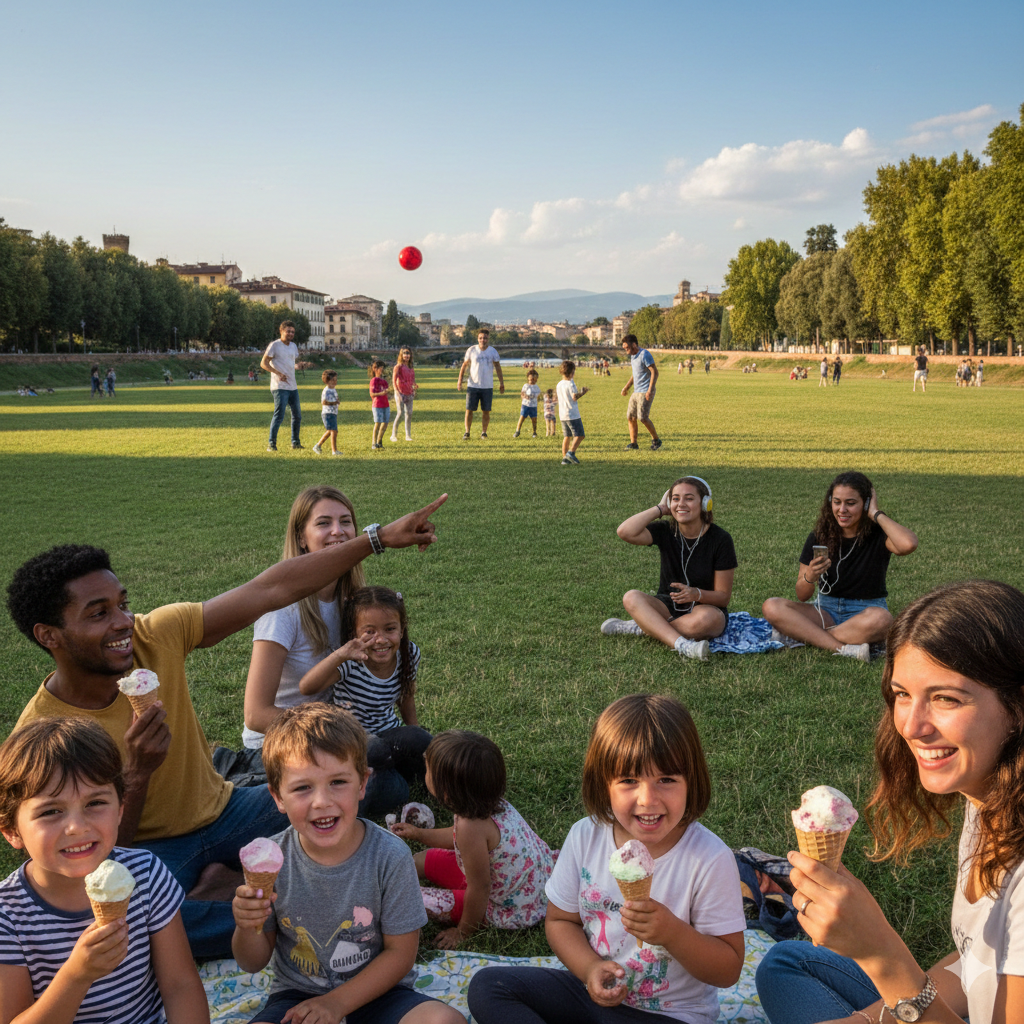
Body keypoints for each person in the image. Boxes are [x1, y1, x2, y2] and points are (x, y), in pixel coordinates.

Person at [7, 494, 447, 958]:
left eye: (122, 605)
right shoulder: (43, 735)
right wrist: (136, 774)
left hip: (226, 810)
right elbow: (96, 859)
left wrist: (376, 539)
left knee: (365, 789)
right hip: (155, 850)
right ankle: (287, 909)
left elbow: (270, 589)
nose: (123, 623)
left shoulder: (155, 635)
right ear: (49, 635)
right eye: (99, 614)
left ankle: (240, 888)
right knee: (128, 920)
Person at [755, 579, 1024, 1024]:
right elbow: (976, 960)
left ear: (1016, 706)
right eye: (902, 695)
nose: (912, 727)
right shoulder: (989, 796)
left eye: (946, 698)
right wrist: (865, 1021)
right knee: (786, 964)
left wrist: (881, 955)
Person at [467, 693, 745, 1024]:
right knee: (489, 987)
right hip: (594, 999)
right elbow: (560, 922)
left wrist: (673, 933)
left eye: (666, 780)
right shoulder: (585, 837)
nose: (648, 799)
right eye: (629, 781)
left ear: (692, 781)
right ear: (604, 783)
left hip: (672, 1015)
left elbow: (728, 969)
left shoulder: (709, 859)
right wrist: (590, 969)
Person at [231, 704, 462, 1024]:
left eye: (338, 781)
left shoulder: (390, 856)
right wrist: (247, 926)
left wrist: (336, 1004)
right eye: (302, 787)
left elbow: (401, 955)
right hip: (298, 996)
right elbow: (252, 962)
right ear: (278, 797)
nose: (322, 801)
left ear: (363, 783)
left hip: (379, 993)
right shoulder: (271, 863)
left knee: (444, 1020)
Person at [0, 718, 208, 1023]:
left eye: (95, 802)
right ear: (11, 831)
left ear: (121, 808)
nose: (77, 827)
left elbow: (180, 986)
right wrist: (77, 975)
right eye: (51, 811)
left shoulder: (146, 875)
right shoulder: (8, 917)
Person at [390, 730, 556, 949]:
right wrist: (419, 834)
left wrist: (463, 932)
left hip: (507, 903)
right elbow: (458, 838)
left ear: (446, 791)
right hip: (517, 879)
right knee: (422, 860)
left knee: (415, 899)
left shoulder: (471, 828)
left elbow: (480, 888)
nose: (425, 771)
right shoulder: (485, 802)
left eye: (427, 768)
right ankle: (391, 879)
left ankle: (393, 891)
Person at [242, 486, 366, 751]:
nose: (338, 531)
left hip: (333, 733)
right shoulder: (282, 610)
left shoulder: (354, 601)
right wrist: (334, 732)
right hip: (277, 744)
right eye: (324, 523)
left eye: (346, 521)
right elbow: (255, 714)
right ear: (301, 538)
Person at [299, 587, 431, 817]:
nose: (380, 639)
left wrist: (417, 737)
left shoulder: (409, 653)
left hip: (389, 734)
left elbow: (407, 696)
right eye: (369, 632)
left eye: (390, 629)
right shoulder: (350, 662)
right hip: (353, 740)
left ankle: (437, 788)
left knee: (424, 742)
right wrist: (340, 654)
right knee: (375, 750)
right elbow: (307, 686)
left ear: (402, 629)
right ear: (354, 633)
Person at [762, 471, 918, 662]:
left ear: (865, 504)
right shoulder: (819, 535)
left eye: (850, 503)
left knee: (883, 619)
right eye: (837, 502)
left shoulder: (879, 534)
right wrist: (810, 576)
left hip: (866, 612)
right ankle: (843, 647)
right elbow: (802, 595)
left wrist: (875, 513)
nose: (842, 509)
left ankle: (804, 637)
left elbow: (909, 544)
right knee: (772, 606)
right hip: (825, 611)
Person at [601, 476, 736, 661]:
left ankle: (644, 627)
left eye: (689, 498)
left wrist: (696, 594)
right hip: (667, 605)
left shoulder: (720, 539)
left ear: (705, 503)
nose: (681, 504)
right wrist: (660, 509)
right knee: (631, 597)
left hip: (704, 608)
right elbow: (625, 532)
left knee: (711, 620)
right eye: (675, 499)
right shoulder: (665, 530)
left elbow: (723, 597)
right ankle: (683, 645)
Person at [261, 320, 302, 452]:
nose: (291, 334)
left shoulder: (293, 346)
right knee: (279, 415)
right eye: (288, 331)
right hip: (279, 386)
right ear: (281, 331)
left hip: (292, 386)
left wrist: (299, 366)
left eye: (293, 332)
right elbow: (263, 363)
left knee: (297, 415)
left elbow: (290, 363)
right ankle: (271, 444)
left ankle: (295, 442)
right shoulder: (274, 345)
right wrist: (278, 373)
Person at [457, 328, 504, 440]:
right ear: (478, 339)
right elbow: (464, 365)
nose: (483, 340)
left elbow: (498, 367)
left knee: (486, 411)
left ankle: (484, 432)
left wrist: (501, 382)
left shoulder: (492, 351)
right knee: (469, 410)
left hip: (487, 386)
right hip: (473, 385)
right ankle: (467, 432)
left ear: (488, 339)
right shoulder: (471, 350)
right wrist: (460, 380)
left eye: (485, 338)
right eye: (481, 338)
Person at [620, 334, 661, 450]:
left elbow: (654, 372)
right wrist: (626, 387)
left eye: (627, 348)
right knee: (630, 416)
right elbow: (635, 374)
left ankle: (656, 440)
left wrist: (650, 389)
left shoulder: (644, 354)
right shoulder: (633, 357)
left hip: (645, 390)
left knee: (642, 417)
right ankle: (634, 443)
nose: (626, 351)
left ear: (634, 345)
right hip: (636, 391)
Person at [556, 360, 589, 466]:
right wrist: (583, 393)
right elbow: (574, 397)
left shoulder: (559, 384)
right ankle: (570, 453)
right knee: (580, 435)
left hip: (563, 414)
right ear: (572, 372)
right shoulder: (571, 383)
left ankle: (564, 458)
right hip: (572, 414)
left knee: (567, 436)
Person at [312, 369, 342, 456]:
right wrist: (334, 403)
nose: (335, 381)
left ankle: (318, 446)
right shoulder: (327, 390)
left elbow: (335, 398)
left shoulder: (333, 389)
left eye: (336, 379)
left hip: (333, 413)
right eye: (333, 380)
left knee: (330, 431)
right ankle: (334, 451)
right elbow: (324, 402)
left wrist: (337, 400)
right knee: (333, 431)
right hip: (328, 413)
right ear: (328, 381)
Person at [391, 346, 418, 442]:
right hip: (400, 393)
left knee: (409, 414)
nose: (407, 355)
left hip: (409, 392)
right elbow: (394, 380)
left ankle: (408, 435)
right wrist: (396, 392)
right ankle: (393, 435)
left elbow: (412, 379)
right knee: (400, 413)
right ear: (401, 355)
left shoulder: (410, 367)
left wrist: (414, 387)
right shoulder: (398, 367)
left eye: (408, 353)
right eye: (405, 353)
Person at [369, 360, 391, 450]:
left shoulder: (384, 381)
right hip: (377, 405)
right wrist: (381, 393)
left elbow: (387, 393)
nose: (382, 370)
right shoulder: (374, 380)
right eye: (380, 368)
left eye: (383, 368)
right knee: (377, 423)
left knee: (385, 423)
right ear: (375, 369)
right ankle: (373, 443)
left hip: (386, 405)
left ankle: (379, 442)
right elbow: (372, 394)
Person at [514, 369, 541, 439]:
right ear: (528, 378)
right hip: (525, 405)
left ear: (537, 379)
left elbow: (538, 396)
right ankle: (517, 430)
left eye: (534, 379)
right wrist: (524, 397)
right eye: (531, 379)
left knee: (534, 419)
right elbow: (522, 393)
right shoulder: (526, 386)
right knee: (522, 417)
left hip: (533, 406)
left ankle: (534, 432)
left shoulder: (537, 387)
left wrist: (537, 400)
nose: (533, 380)